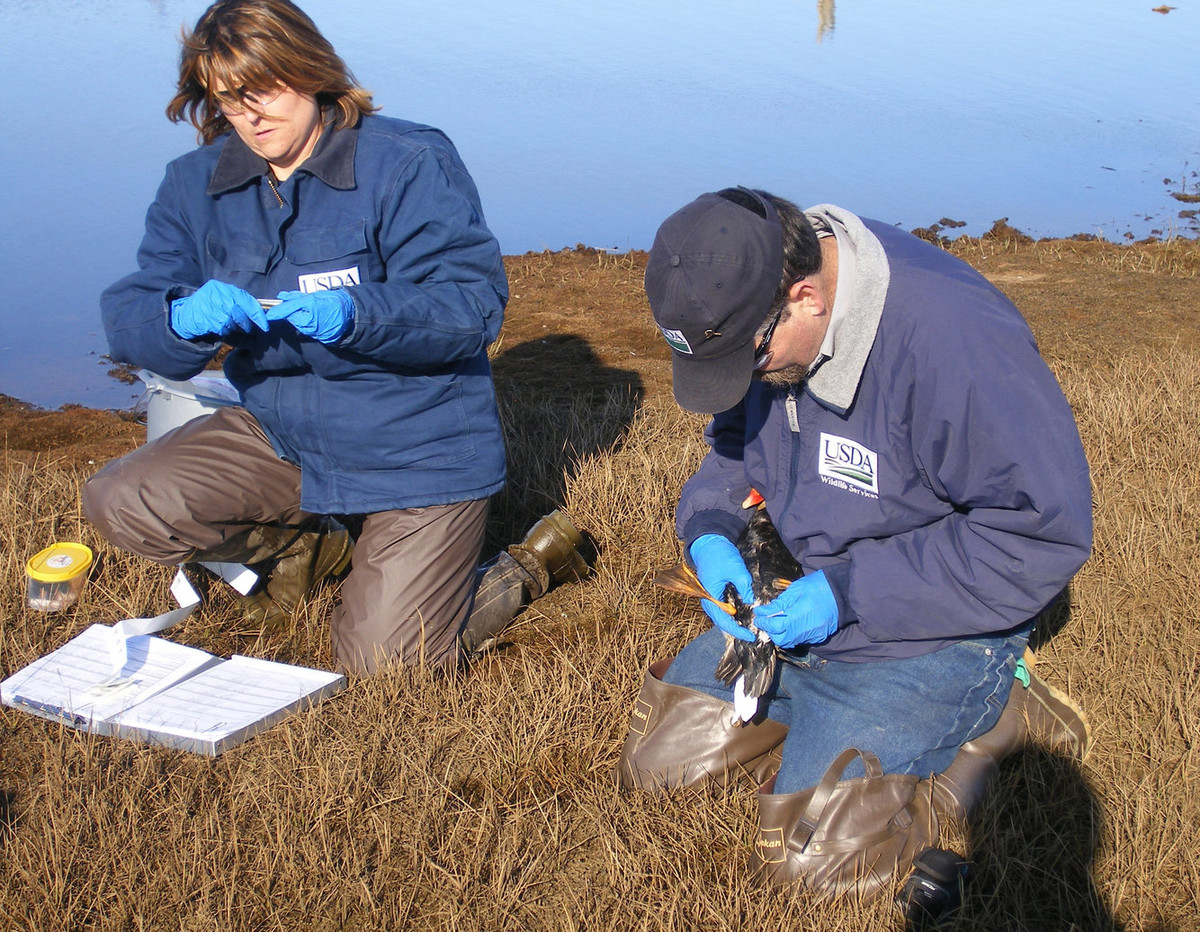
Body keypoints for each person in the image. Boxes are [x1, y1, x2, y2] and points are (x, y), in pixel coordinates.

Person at [82, 0, 589, 676]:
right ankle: (317, 547)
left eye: (265, 89)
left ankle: (529, 564)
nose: (251, 115)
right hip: (283, 435)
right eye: (229, 98)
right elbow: (131, 312)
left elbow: (470, 306)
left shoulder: (408, 161)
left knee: (383, 666)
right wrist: (178, 316)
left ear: (311, 72)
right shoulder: (193, 184)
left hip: (419, 451)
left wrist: (356, 314)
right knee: (120, 501)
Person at [618, 187, 1092, 897]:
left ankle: (999, 714)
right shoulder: (765, 318)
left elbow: (1040, 531)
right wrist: (712, 530)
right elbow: (734, 451)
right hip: (800, 602)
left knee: (808, 863)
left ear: (805, 297)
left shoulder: (956, 343)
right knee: (655, 765)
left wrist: (850, 593)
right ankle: (825, 727)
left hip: (928, 629)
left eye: (749, 359)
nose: (746, 379)